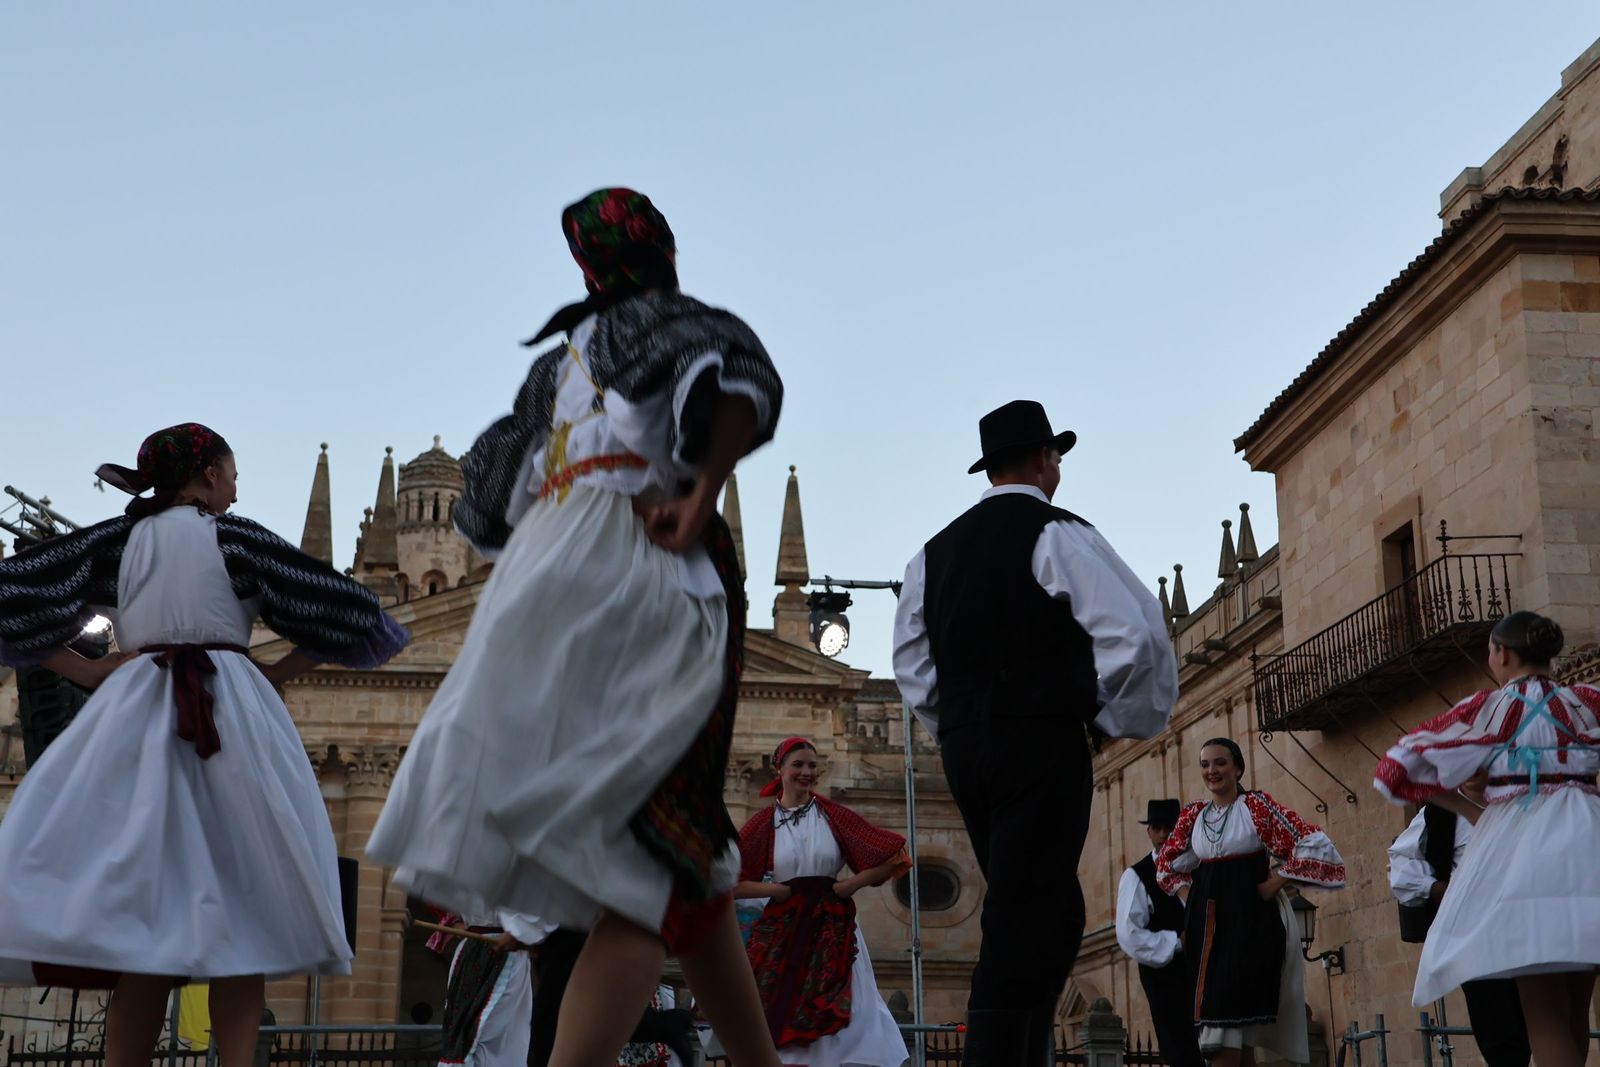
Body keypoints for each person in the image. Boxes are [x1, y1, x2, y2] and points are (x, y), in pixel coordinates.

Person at [366, 188, 785, 1067]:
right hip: (648, 573)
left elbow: (484, 509)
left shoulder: (555, 371)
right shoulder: (671, 323)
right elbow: (744, 382)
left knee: (681, 845)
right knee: (651, 857)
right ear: (662, 251)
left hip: (541, 585)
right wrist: (702, 487)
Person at [0, 423, 409, 1067]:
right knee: (242, 910)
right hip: (232, 715)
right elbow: (351, 610)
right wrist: (273, 674)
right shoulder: (236, 538)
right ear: (212, 475)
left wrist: (88, 670)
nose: (238, 487)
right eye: (234, 473)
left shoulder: (120, 539)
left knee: (148, 919)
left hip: (138, 710)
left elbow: (11, 592)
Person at [892, 399, 1177, 1065]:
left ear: (990, 467)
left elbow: (910, 662)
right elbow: (1136, 634)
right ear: (1048, 459)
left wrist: (954, 725)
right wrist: (1104, 715)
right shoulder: (1058, 533)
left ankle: (1028, 1048)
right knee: (1028, 908)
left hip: (967, 745)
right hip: (1040, 735)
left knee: (1040, 905)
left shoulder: (929, 555)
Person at [1374, 611, 1600, 1067]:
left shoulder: (1488, 708)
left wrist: (1468, 806)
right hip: (1588, 834)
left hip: (1521, 843)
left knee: (1543, 1012)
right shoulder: (1587, 700)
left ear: (1503, 654)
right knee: (1576, 1007)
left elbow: (1395, 769)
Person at [713, 736, 910, 1066]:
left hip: (834, 926)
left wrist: (851, 884)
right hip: (784, 929)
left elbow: (893, 856)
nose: (806, 772)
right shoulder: (764, 824)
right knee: (778, 1008)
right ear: (780, 769)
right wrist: (773, 891)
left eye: (812, 766)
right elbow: (724, 882)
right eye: (798, 765)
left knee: (843, 1016)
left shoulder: (834, 815)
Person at [1156, 737, 1346, 1067]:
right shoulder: (1194, 816)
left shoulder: (1255, 807)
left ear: (1238, 768)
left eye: (1220, 763)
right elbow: (1167, 865)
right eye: (1205, 765)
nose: (1211, 771)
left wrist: (1273, 884)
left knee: (1227, 1019)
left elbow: (1313, 843)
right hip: (1207, 927)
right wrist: (1192, 899)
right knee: (1220, 1021)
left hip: (1247, 921)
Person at [1386, 802, 1530, 1067]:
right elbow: (1402, 860)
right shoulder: (1443, 810)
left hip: (1530, 929)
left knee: (1545, 1024)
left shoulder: (1532, 795)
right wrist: (1437, 888)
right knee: (1500, 1035)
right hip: (1476, 934)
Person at [1116, 800, 1203, 1067]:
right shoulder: (1138, 875)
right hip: (1166, 977)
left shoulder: (1198, 868)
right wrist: (1176, 943)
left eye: (1170, 827)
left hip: (1203, 972)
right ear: (1149, 832)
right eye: (1158, 827)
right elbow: (1129, 933)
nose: (1164, 833)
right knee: (1181, 1048)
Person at [433, 907, 553, 1067]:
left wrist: (518, 932)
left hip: (507, 953)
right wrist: (455, 924)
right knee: (462, 1036)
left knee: (496, 1032)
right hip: (471, 953)